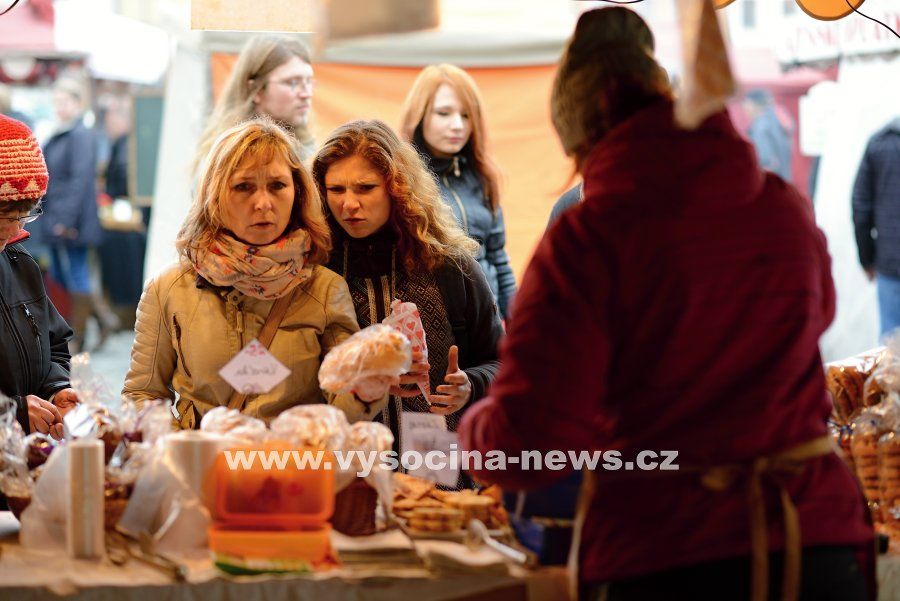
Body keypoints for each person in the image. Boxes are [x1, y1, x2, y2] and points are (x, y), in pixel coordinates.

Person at [459, 7, 872, 601]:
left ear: (587, 140)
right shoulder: (781, 206)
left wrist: (473, 432)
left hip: (673, 553)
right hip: (813, 539)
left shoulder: (589, 238)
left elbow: (533, 444)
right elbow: (819, 319)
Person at [123, 119, 375, 427]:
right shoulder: (169, 289)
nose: (263, 204)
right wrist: (187, 449)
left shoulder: (324, 288)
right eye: (243, 187)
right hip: (204, 467)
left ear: (297, 191)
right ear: (214, 195)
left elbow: (344, 411)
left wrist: (368, 387)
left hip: (289, 469)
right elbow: (142, 396)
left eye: (277, 186)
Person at [311, 120, 503, 467]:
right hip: (350, 472)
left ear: (396, 188)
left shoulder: (448, 265)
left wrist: (470, 385)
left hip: (442, 475)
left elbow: (503, 362)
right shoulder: (317, 273)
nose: (348, 204)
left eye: (365, 188)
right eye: (336, 189)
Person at [399, 65, 516, 320]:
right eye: (444, 113)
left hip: (488, 322)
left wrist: (518, 324)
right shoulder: (401, 181)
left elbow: (499, 260)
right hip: (435, 327)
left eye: (466, 115)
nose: (457, 126)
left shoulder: (483, 177)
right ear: (419, 115)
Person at [0, 115, 80, 440]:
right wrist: (15, 412)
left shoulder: (20, 263)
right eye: (6, 214)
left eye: (26, 211)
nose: (17, 229)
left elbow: (55, 343)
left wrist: (57, 389)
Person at [39, 75, 112, 353]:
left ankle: (79, 336)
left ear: (78, 103)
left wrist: (65, 221)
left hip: (72, 221)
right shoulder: (63, 132)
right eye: (56, 101)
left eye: (65, 101)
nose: (59, 106)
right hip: (58, 217)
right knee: (62, 274)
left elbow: (80, 181)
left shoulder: (81, 135)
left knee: (76, 274)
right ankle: (102, 320)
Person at [195, 35, 316, 172]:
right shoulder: (225, 157)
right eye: (293, 83)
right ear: (255, 89)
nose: (306, 93)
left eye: (308, 82)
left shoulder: (309, 151)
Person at [852, 116, 900, 336]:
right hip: (889, 263)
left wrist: (867, 258)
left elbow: (861, 206)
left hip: (891, 263)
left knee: (892, 350)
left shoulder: (880, 143)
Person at [743, 88, 793, 182]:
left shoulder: (761, 127)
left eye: (746, 106)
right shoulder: (778, 121)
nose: (746, 111)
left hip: (770, 185)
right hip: (784, 181)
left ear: (754, 105)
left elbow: (764, 161)